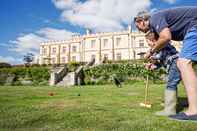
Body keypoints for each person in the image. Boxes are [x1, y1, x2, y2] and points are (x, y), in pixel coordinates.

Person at [134, 6, 197, 121]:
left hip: (194, 26)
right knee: (182, 66)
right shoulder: (158, 25)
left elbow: (165, 37)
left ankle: (192, 111)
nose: (140, 30)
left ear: (141, 21)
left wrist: (151, 51)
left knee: (183, 63)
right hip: (192, 27)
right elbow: (161, 58)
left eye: (138, 27)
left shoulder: (155, 18)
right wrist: (154, 63)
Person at [145, 31, 181, 116]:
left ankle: (170, 109)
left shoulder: (162, 44)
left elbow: (159, 56)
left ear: (153, 40)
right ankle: (170, 104)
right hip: (173, 64)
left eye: (148, 42)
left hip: (176, 63)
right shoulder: (157, 49)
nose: (148, 44)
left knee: (171, 84)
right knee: (172, 83)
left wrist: (150, 56)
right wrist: (153, 65)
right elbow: (161, 61)